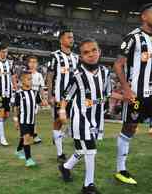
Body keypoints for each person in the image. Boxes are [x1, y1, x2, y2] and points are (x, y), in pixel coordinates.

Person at [113, 2, 152, 185]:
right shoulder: (133, 37)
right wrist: (126, 88)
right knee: (129, 129)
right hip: (136, 95)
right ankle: (121, 169)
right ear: (144, 16)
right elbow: (118, 64)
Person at [58, 39, 111, 194]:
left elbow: (106, 94)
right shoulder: (77, 75)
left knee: (82, 150)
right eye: (86, 52)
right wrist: (62, 111)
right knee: (90, 150)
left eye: (94, 50)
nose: (91, 54)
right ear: (80, 57)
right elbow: (66, 95)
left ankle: (65, 167)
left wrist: (127, 96)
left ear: (99, 51)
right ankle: (88, 186)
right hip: (80, 119)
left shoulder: (105, 72)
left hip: (96, 119)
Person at [46, 29, 79, 162]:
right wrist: (49, 95)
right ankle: (60, 153)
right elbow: (49, 76)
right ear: (61, 40)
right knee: (59, 122)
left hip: (75, 97)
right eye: (68, 37)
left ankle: (58, 136)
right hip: (59, 96)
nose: (71, 39)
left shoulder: (76, 57)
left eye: (72, 37)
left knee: (74, 122)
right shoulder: (55, 56)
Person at [14, 71, 43, 167]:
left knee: (26, 137)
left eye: (31, 79)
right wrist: (16, 121)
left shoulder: (34, 93)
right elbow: (16, 108)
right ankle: (28, 159)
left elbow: (40, 102)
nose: (30, 81)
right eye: (28, 79)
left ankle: (18, 150)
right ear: (22, 81)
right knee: (26, 138)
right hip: (23, 120)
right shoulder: (19, 94)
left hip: (32, 120)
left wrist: (45, 102)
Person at [27, 55, 47, 144]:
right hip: (26, 98)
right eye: (31, 62)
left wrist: (44, 99)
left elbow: (41, 89)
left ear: (37, 64)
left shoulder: (39, 75)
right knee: (26, 117)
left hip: (34, 99)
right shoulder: (25, 73)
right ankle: (31, 135)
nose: (33, 64)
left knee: (33, 118)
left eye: (34, 62)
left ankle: (33, 135)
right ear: (28, 63)